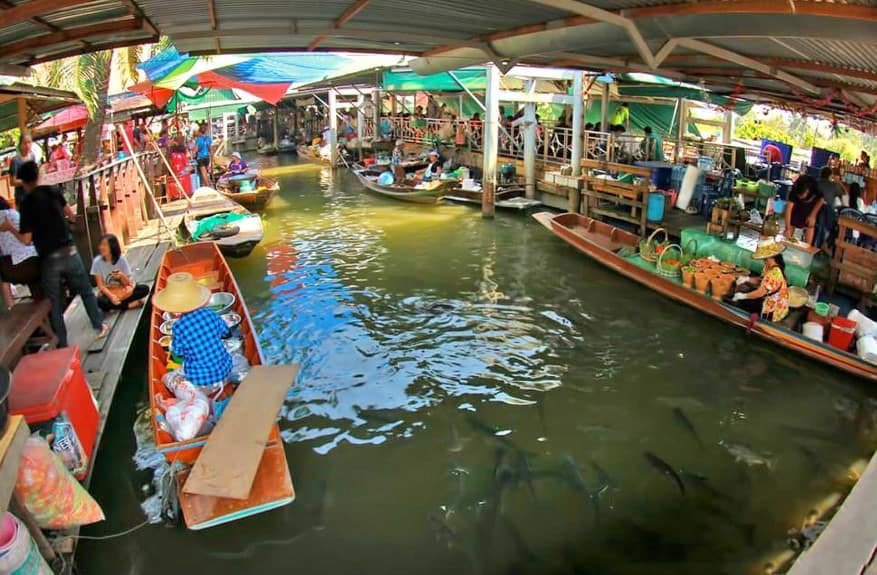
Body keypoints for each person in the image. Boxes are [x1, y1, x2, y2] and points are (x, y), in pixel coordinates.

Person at [11, 161, 107, 347]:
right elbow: (71, 216)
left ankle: (62, 343)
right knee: (86, 291)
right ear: (38, 175)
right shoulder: (52, 191)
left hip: (49, 259)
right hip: (69, 251)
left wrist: (9, 228)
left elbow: (26, 240)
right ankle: (99, 324)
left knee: (54, 303)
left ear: (23, 182)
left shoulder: (26, 204)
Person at [154, 272, 232, 391]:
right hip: (225, 370)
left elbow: (178, 354)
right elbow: (226, 333)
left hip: (200, 380)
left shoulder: (178, 327)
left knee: (167, 377)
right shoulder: (210, 313)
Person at [732, 237, 790, 327]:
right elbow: (761, 281)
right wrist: (747, 279)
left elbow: (760, 293)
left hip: (773, 309)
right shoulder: (768, 266)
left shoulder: (775, 273)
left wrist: (743, 296)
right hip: (768, 299)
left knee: (743, 303)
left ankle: (751, 325)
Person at [0, 197, 41, 307]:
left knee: (3, 274)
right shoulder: (14, 213)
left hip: (14, 262)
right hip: (33, 255)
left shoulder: (3, 217)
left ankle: (11, 306)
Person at [91, 234, 149, 312]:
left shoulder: (121, 259)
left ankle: (117, 305)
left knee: (144, 289)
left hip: (123, 290)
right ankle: (129, 305)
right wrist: (111, 296)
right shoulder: (97, 262)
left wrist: (122, 276)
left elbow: (128, 283)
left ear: (112, 247)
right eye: (101, 245)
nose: (101, 247)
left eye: (104, 245)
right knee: (98, 301)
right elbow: (100, 286)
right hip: (108, 292)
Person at [785, 174, 824, 245]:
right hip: (797, 208)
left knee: (810, 224)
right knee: (789, 230)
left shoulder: (816, 187)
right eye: (799, 196)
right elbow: (788, 209)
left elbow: (821, 200)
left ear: (808, 191)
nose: (800, 197)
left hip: (811, 208)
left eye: (802, 195)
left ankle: (808, 249)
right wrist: (787, 228)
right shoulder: (795, 188)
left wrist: (813, 215)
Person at [816, 166, 845, 248]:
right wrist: (839, 182)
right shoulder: (833, 186)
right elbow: (845, 196)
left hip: (813, 211)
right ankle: (823, 245)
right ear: (830, 176)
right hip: (827, 213)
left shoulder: (816, 183)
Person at [9, 133, 39, 208]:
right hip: (22, 197)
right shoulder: (15, 160)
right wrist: (27, 182)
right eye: (25, 143)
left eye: (29, 142)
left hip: (33, 194)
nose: (27, 145)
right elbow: (13, 181)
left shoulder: (32, 156)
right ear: (20, 144)